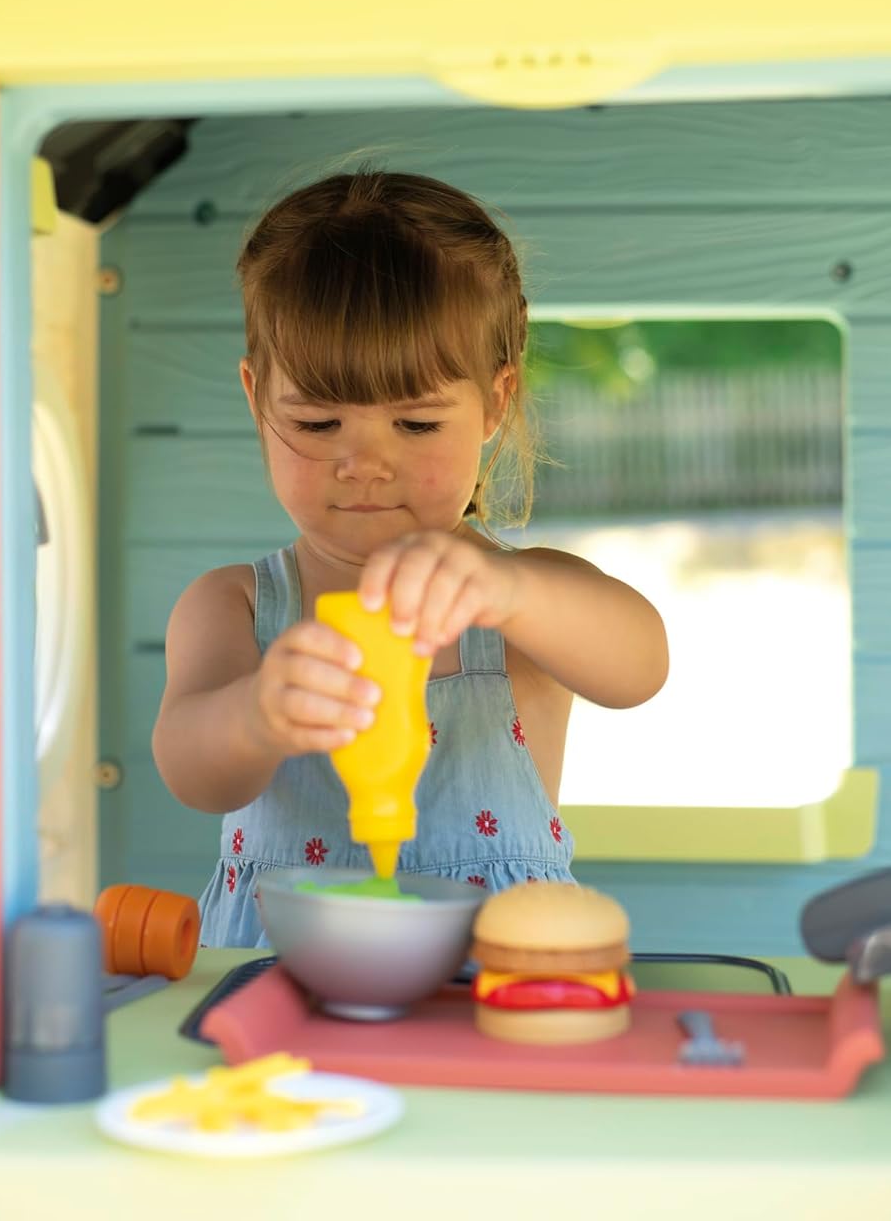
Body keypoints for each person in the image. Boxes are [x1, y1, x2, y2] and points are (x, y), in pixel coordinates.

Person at [152, 168, 669, 946]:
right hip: (282, 988)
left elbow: (640, 668)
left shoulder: (525, 600)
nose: (364, 464)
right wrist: (256, 715)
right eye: (320, 424)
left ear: (495, 402)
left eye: (417, 424)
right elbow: (195, 773)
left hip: (493, 988)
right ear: (258, 399)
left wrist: (511, 590)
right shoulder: (239, 605)